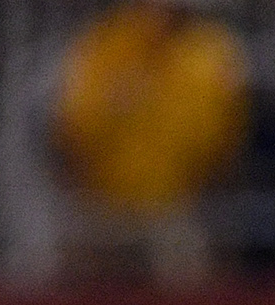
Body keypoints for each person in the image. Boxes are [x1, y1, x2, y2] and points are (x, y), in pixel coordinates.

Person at [51, 0, 249, 282]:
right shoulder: (102, 45)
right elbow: (73, 127)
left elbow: (222, 137)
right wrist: (116, 105)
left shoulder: (210, 51)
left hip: (177, 208)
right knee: (79, 287)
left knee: (185, 280)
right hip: (103, 208)